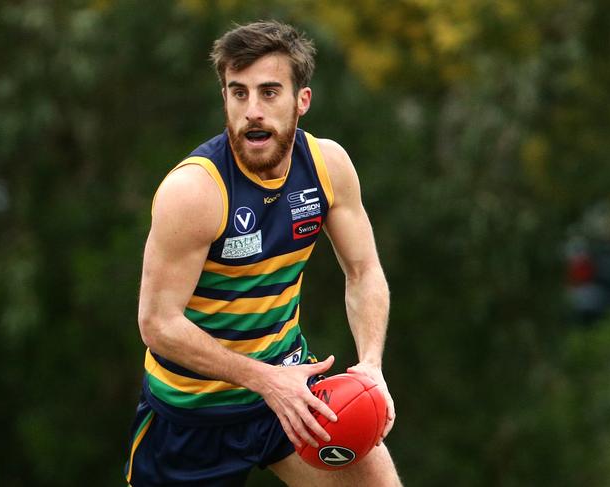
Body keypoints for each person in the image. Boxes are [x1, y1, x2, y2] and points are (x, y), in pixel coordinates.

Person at [124, 20, 402, 486]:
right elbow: (158, 324)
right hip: (191, 421)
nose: (252, 110)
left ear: (302, 101)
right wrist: (267, 381)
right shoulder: (194, 191)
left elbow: (364, 270)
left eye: (269, 92)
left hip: (292, 397)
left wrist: (371, 365)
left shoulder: (327, 167)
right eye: (239, 93)